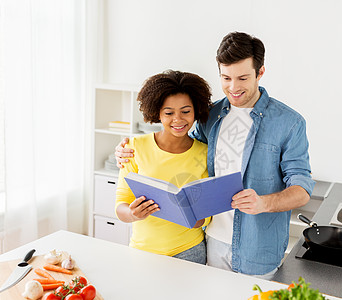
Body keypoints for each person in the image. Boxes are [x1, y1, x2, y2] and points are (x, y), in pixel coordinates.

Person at [115, 32, 315, 279]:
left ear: (260, 72)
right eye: (226, 77)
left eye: (242, 78)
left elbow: (302, 188)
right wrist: (126, 150)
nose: (233, 87)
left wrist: (264, 203)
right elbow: (181, 144)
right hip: (210, 242)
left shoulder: (289, 122)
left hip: (257, 248)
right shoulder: (210, 115)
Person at [115, 70, 212, 264]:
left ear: (196, 111)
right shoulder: (134, 148)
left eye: (186, 111)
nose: (178, 120)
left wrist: (195, 219)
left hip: (189, 251)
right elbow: (120, 205)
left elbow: (206, 214)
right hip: (142, 251)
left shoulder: (205, 152)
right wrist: (133, 214)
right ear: (157, 113)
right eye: (169, 113)